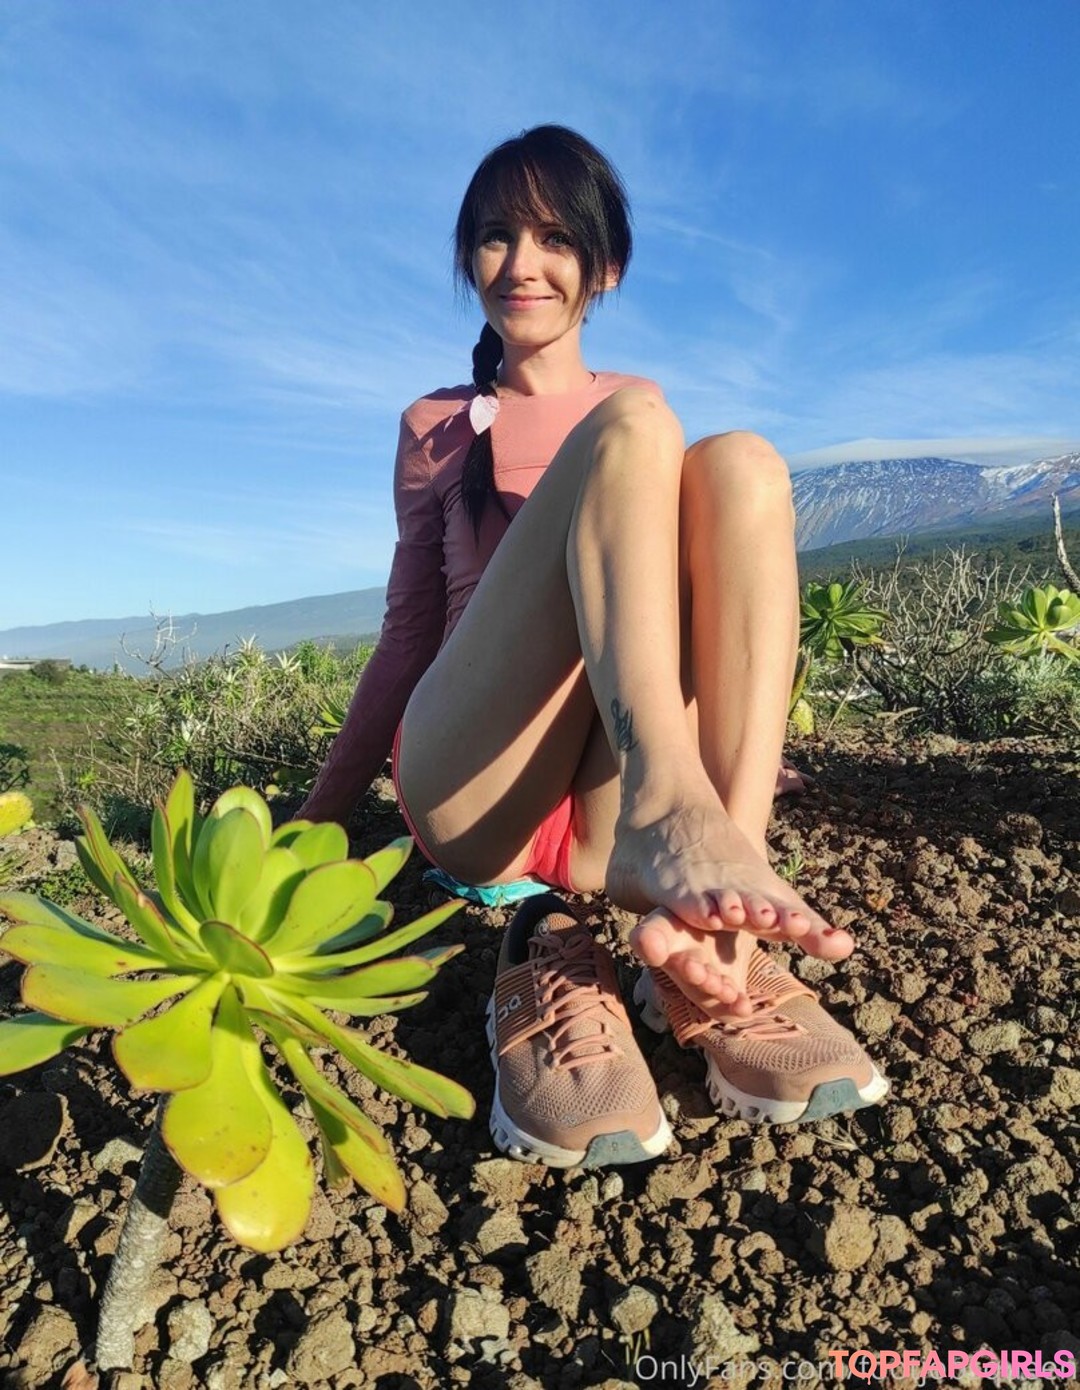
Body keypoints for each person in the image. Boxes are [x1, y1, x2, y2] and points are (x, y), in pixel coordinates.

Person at [302, 125, 886, 1168]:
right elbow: (408, 637)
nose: (520, 264)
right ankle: (672, 817)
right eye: (495, 237)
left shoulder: (632, 402)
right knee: (638, 427)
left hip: (607, 825)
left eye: (555, 238)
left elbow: (689, 614)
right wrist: (312, 825)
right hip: (478, 789)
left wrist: (742, 759)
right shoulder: (438, 425)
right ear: (468, 259)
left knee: (744, 463)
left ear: (605, 267)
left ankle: (719, 921)